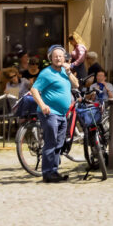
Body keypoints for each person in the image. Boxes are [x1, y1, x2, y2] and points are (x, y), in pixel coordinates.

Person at [32, 45, 77, 183]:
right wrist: (42, 105)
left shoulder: (65, 71)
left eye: (60, 56)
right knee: (51, 142)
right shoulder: (46, 73)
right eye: (55, 56)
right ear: (50, 58)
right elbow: (34, 90)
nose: (58, 58)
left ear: (64, 58)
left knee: (59, 143)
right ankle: (47, 173)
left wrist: (69, 72)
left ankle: (54, 171)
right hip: (50, 113)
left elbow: (76, 85)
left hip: (62, 114)